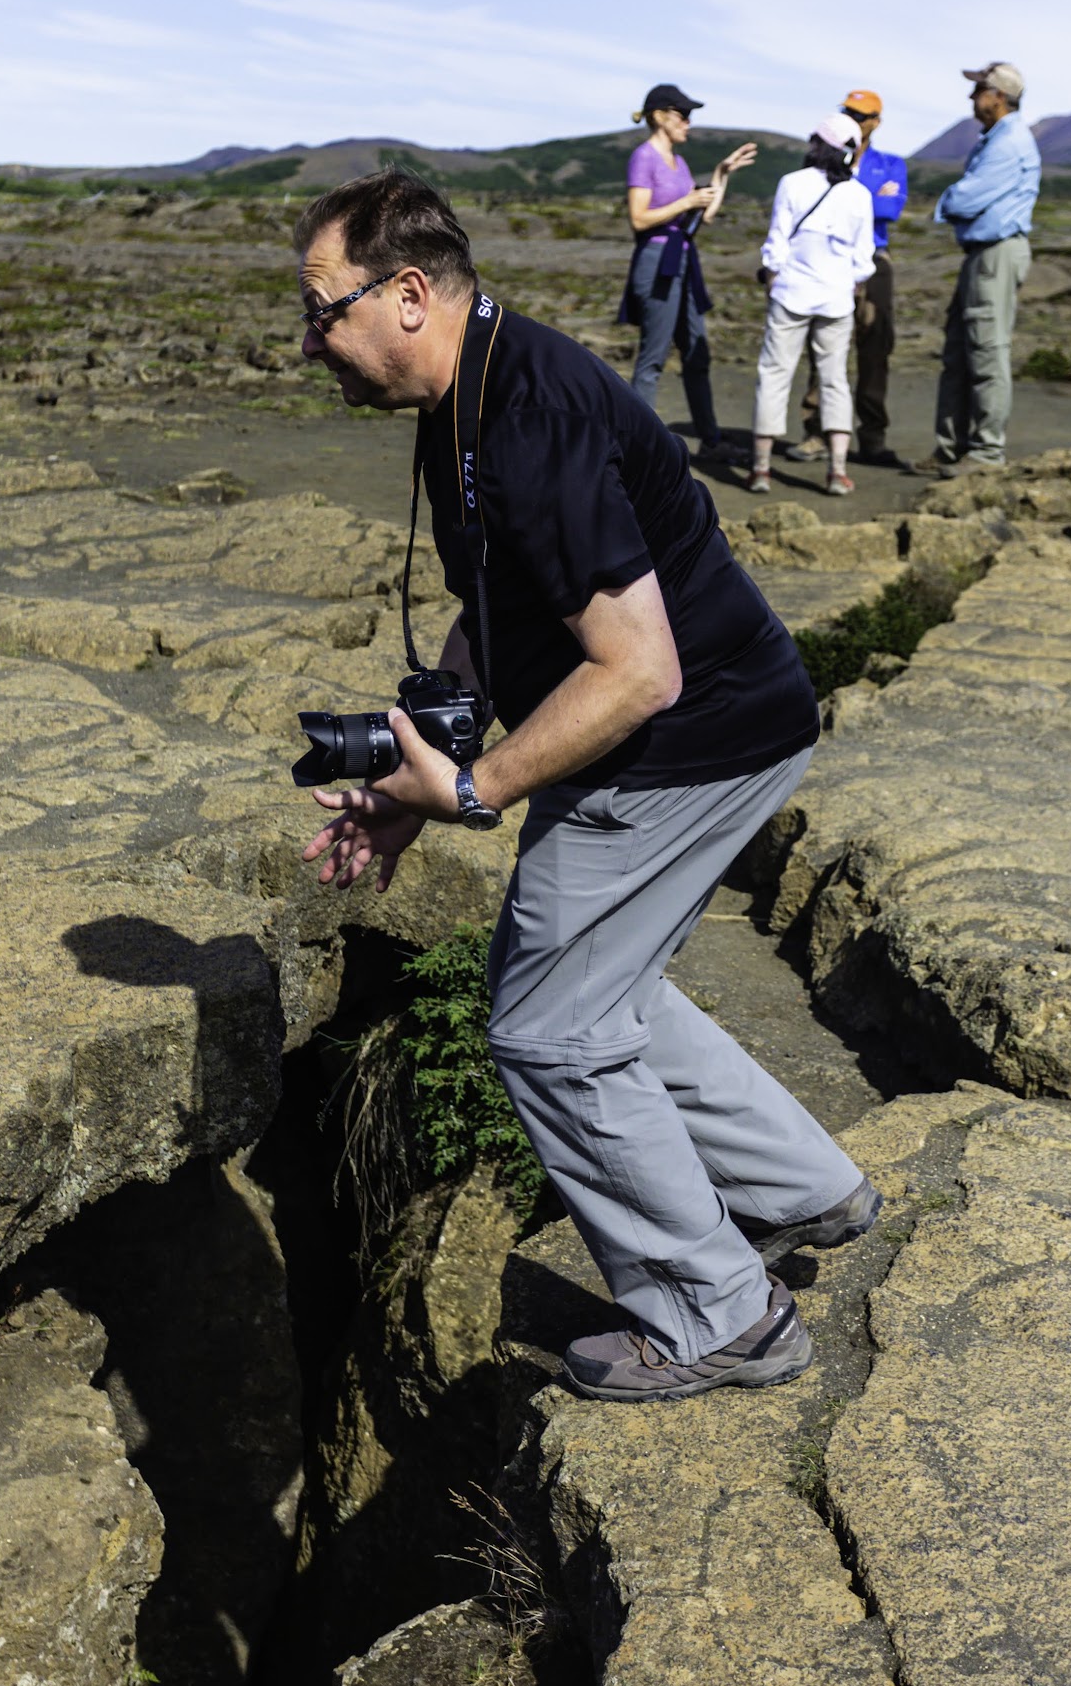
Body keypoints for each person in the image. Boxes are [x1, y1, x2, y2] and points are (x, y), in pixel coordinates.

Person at [294, 169, 881, 1404]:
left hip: (683, 739)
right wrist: (423, 760)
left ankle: (723, 1315)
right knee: (591, 987)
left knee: (546, 1029)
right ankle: (802, 1189)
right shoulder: (471, 394)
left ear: (406, 294)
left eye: (322, 310)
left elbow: (636, 671)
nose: (311, 345)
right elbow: (495, 608)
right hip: (728, 714)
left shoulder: (531, 418)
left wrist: (477, 788)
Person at [915, 60, 1041, 475]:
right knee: (959, 350)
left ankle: (986, 453)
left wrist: (948, 200)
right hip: (982, 254)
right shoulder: (996, 139)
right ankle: (951, 448)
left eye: (979, 90)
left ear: (999, 97)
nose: (972, 98)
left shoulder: (1008, 143)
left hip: (996, 254)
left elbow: (964, 200)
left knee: (986, 350)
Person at [620, 83, 755, 465]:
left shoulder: (679, 164)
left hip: (682, 259)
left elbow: (704, 215)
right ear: (660, 116)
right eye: (683, 115)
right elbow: (638, 217)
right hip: (657, 261)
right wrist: (687, 200)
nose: (689, 123)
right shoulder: (643, 158)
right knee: (654, 358)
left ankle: (710, 439)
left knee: (697, 353)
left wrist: (720, 175)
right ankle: (639, 448)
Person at [747, 116, 875, 499]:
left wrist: (773, 278)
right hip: (836, 299)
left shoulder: (792, 184)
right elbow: (864, 256)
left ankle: (760, 468)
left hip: (791, 294)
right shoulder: (860, 195)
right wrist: (850, 285)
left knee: (774, 374)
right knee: (834, 379)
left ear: (817, 144)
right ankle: (837, 472)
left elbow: (776, 243)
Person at [793, 88, 906, 466]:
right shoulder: (823, 161)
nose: (854, 121)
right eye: (848, 113)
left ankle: (872, 436)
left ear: (876, 122)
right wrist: (870, 197)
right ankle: (816, 431)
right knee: (824, 345)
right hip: (828, 260)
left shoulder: (891, 164)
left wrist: (852, 197)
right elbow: (873, 202)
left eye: (861, 115)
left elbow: (891, 208)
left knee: (875, 347)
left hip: (873, 259)